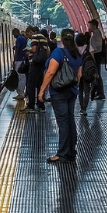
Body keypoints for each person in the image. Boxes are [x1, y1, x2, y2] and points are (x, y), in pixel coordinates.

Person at [39, 29, 83, 163]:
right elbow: (79, 75)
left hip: (58, 92)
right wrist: (73, 86)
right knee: (70, 121)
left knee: (63, 122)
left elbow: (50, 72)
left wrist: (42, 90)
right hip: (72, 91)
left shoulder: (58, 52)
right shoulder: (77, 54)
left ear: (61, 39)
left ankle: (62, 154)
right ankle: (71, 151)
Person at [23, 32, 49, 114]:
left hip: (35, 65)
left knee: (30, 86)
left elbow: (34, 49)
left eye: (28, 34)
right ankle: (41, 105)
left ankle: (31, 106)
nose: (28, 37)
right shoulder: (43, 38)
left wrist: (28, 50)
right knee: (40, 85)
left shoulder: (35, 37)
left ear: (31, 31)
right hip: (41, 64)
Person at [77, 33, 95, 116]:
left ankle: (81, 107)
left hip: (79, 72)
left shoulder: (76, 49)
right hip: (88, 72)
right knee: (87, 91)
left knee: (80, 90)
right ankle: (85, 108)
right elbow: (93, 60)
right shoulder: (89, 48)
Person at [88, 19, 106, 100]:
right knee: (97, 74)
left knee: (97, 74)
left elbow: (96, 47)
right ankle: (98, 92)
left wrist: (93, 55)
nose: (89, 27)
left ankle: (101, 93)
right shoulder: (96, 33)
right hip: (97, 55)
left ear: (94, 26)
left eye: (90, 25)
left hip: (96, 55)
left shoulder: (96, 35)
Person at [12, 28, 28, 101]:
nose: (13, 35)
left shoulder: (18, 39)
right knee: (22, 76)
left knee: (19, 76)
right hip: (23, 59)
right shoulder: (23, 38)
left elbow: (18, 50)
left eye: (14, 34)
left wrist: (14, 60)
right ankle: (21, 93)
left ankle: (21, 93)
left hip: (19, 59)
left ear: (16, 32)